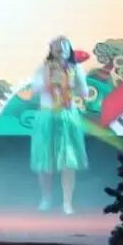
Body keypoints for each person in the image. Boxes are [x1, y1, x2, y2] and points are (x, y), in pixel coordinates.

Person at [28, 36, 90, 214]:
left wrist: (70, 84)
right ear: (51, 50)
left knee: (68, 162)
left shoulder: (76, 69)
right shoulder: (43, 68)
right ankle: (46, 198)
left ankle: (67, 202)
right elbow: (34, 90)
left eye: (65, 46)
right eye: (57, 46)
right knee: (44, 161)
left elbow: (84, 92)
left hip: (67, 116)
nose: (61, 48)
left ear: (70, 50)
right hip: (47, 115)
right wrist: (52, 82)